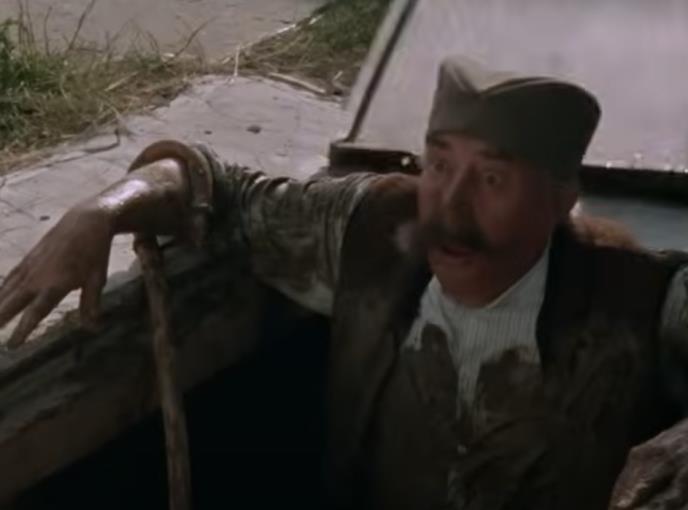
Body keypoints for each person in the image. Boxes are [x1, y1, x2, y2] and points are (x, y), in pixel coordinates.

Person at [1, 55, 687, 510]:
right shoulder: (373, 233)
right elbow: (220, 192)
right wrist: (102, 211)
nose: (449, 209)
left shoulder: (641, 301)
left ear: (563, 197)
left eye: (491, 178)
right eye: (439, 166)